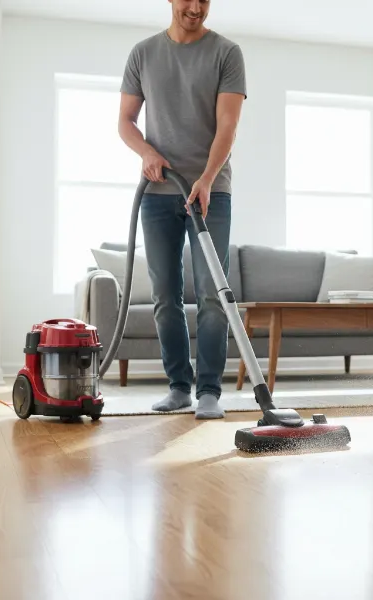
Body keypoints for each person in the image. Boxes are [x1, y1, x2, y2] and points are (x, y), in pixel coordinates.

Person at [118, 0, 246, 419]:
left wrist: (207, 178)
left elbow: (227, 125)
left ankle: (209, 391)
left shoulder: (226, 52)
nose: (196, 7)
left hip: (211, 191)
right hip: (157, 193)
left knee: (212, 294)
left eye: (205, 0)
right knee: (164, 295)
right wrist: (147, 152)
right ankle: (178, 387)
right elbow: (125, 121)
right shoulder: (142, 53)